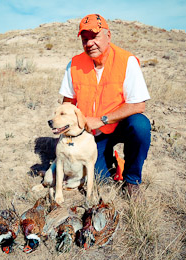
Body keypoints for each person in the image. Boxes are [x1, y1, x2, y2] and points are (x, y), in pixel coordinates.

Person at [59, 14, 151, 198]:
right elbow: (68, 105)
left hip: (119, 125)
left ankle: (132, 181)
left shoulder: (127, 61)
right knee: (100, 179)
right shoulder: (74, 64)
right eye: (85, 39)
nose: (89, 43)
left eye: (94, 37)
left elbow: (138, 105)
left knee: (140, 125)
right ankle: (113, 160)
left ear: (108, 36)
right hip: (91, 134)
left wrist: (102, 120)